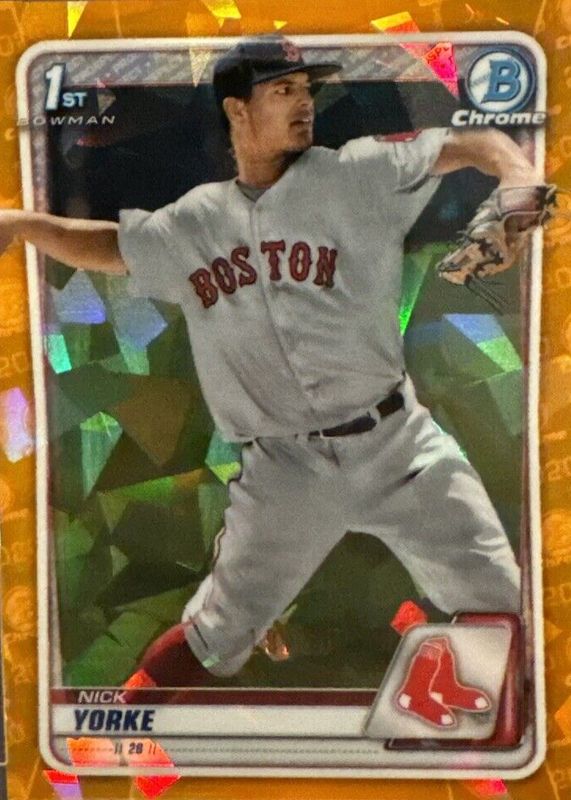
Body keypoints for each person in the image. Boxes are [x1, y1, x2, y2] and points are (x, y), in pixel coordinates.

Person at [2, 35, 537, 695]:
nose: (304, 102)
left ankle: (484, 733)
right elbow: (115, 247)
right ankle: (108, 737)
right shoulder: (196, 221)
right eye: (283, 90)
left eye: (307, 89)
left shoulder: (358, 171)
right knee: (214, 637)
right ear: (237, 110)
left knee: (507, 609)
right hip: (286, 468)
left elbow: (472, 142)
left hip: (399, 446)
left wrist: (516, 176)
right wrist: (23, 224)